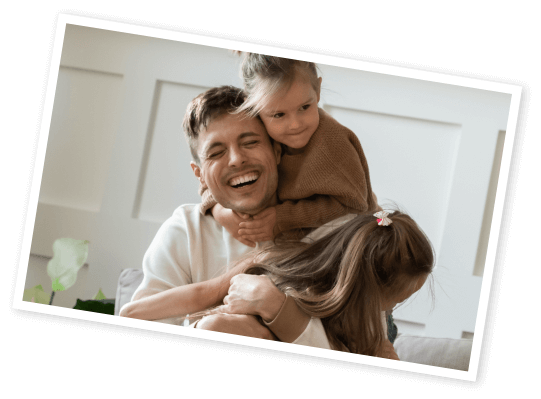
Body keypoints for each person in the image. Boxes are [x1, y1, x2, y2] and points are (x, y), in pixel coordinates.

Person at [126, 85, 348, 345]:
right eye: (216, 153)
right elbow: (137, 318)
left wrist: (277, 311)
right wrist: (212, 326)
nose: (236, 160)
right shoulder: (184, 230)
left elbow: (358, 348)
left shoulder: (332, 232)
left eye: (250, 142)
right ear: (199, 174)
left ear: (277, 151)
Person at [123, 209, 434, 357]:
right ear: (364, 286)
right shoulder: (272, 264)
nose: (392, 309)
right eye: (395, 299)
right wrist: (131, 313)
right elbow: (206, 294)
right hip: (212, 326)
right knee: (220, 327)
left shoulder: (369, 323)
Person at [200, 53, 381, 247]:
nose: (295, 125)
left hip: (352, 238)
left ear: (318, 90)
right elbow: (210, 180)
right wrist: (221, 212)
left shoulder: (333, 143)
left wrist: (283, 217)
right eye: (279, 115)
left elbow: (355, 204)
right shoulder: (257, 132)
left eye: (305, 107)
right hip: (291, 241)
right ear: (254, 106)